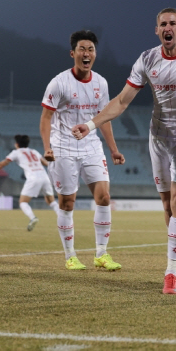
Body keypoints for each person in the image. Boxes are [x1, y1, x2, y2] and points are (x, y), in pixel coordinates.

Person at [71, 8, 176, 294]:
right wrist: (91, 124)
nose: (167, 27)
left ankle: (170, 274)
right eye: (162, 24)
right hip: (159, 138)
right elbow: (121, 101)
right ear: (156, 30)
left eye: (173, 23)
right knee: (169, 208)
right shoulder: (148, 59)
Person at [40, 29, 125, 271]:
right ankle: (70, 255)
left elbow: (104, 118)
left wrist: (113, 150)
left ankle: (101, 254)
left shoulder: (101, 83)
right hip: (63, 148)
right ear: (72, 53)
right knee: (67, 202)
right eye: (82, 49)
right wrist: (47, 148)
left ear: (94, 54)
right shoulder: (58, 83)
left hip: (91, 147)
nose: (86, 54)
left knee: (104, 197)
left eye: (91, 49)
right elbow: (46, 118)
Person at [0, 135, 61, 231]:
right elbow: (47, 164)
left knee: (23, 202)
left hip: (33, 178)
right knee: (51, 201)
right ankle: (62, 218)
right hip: (45, 177)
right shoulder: (34, 151)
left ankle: (33, 218)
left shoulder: (16, 153)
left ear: (17, 144)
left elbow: (1, 164)